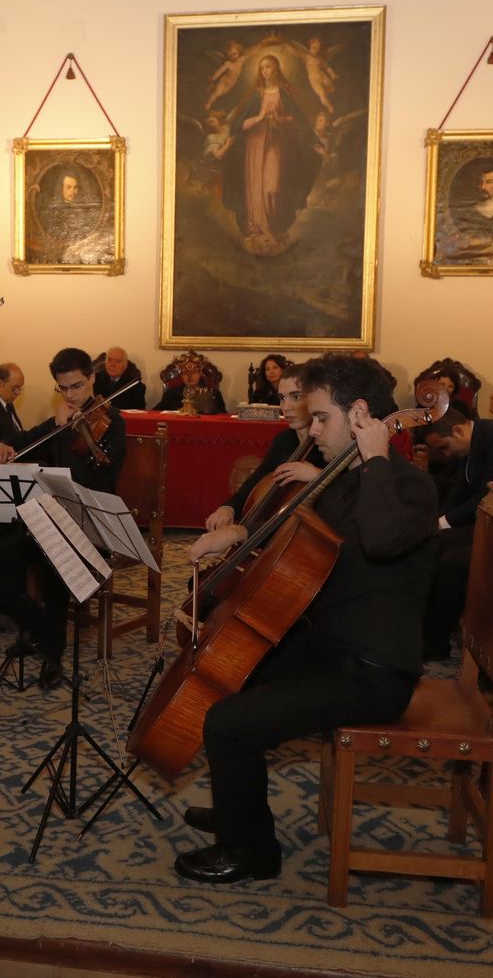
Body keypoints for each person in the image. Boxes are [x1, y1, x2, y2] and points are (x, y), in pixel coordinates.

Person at [174, 354, 437, 884]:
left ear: (360, 415)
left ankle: (251, 853)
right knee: (231, 677)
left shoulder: (407, 486)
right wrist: (239, 537)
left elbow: (383, 540)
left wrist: (378, 456)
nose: (310, 429)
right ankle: (238, 806)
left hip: (373, 671)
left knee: (228, 724)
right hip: (330, 645)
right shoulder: (341, 481)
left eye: (321, 418)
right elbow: (298, 546)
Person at [0, 348, 127, 686]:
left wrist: (69, 429)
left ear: (92, 379)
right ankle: (44, 630)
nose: (70, 395)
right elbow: (25, 440)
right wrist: (4, 443)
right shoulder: (62, 418)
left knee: (52, 564)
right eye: (63, 388)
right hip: (50, 524)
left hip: (91, 528)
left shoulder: (113, 424)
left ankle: (52, 653)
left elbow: (90, 484)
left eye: (76, 386)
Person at [417, 406, 493, 659]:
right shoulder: (474, 441)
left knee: (446, 556)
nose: (446, 455)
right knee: (432, 543)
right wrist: (439, 521)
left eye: (444, 447)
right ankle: (424, 633)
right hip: (486, 519)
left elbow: (490, 497)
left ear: (457, 431)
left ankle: (434, 641)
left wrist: (443, 524)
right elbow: (461, 491)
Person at [222, 54, 319, 257]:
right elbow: (240, 125)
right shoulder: (256, 95)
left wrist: (282, 119)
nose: (266, 71)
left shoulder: (285, 94)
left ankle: (273, 228)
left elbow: (298, 121)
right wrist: (259, 118)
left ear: (277, 69)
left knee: (273, 187)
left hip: (276, 144)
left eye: (269, 67)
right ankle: (257, 230)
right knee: (255, 186)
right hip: (255, 146)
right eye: (263, 67)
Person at [203, 363, 319, 531]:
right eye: (282, 398)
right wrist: (228, 508)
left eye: (296, 397)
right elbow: (255, 482)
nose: (286, 407)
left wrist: (317, 474)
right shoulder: (284, 440)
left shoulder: (329, 446)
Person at [0, 362, 26, 437]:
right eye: (15, 388)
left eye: (20, 388)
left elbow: (18, 434)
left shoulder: (8, 405)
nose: (18, 392)